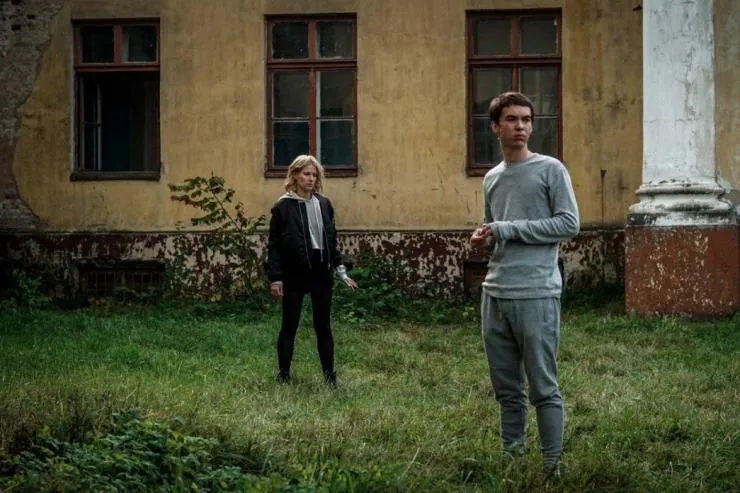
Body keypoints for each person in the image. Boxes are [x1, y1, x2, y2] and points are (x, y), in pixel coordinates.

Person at [470, 92, 579, 476]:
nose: (521, 126)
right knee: (506, 390)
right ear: (495, 127)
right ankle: (512, 461)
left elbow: (569, 223)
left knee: (543, 387)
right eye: (512, 119)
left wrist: (508, 229)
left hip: (536, 291)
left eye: (527, 119)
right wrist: (485, 239)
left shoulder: (550, 169)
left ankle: (552, 467)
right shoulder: (492, 178)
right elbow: (495, 228)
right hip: (495, 292)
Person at [266, 154, 357, 387]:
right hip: (294, 273)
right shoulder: (283, 206)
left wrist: (341, 271)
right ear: (295, 175)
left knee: (323, 326)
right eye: (306, 174)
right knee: (290, 325)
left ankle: (330, 377)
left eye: (314, 175)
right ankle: (283, 375)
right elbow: (274, 245)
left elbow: (331, 240)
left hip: (321, 271)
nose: (311, 179)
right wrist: (276, 278)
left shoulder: (324, 204)